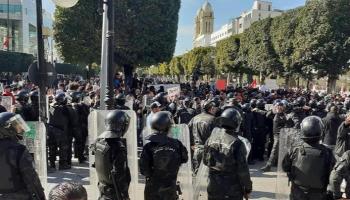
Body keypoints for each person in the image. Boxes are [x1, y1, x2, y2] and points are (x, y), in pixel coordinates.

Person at [203, 108, 252, 200]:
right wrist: (248, 188)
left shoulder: (211, 139)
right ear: (237, 123)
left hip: (213, 185)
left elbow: (205, 161)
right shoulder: (237, 143)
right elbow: (243, 170)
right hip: (231, 189)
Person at [282, 116, 335, 200]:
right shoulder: (327, 152)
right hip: (318, 194)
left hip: (298, 192)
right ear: (321, 131)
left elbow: (285, 167)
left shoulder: (295, 149)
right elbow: (332, 174)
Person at [140, 111, 188, 200]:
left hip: (152, 190)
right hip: (170, 189)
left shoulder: (148, 146)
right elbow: (185, 159)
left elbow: (144, 170)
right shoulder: (177, 144)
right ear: (168, 126)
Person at [0, 112, 46, 200]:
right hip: (16, 196)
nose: (20, 128)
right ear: (7, 129)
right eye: (17, 126)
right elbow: (31, 178)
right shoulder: (18, 150)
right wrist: (41, 196)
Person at [92, 110, 131, 200]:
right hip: (115, 193)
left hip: (103, 189)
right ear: (122, 125)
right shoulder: (117, 146)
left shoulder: (99, 141)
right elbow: (119, 174)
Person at [188, 100, 217, 173]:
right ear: (211, 109)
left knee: (196, 174)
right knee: (209, 175)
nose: (215, 110)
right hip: (209, 150)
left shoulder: (194, 118)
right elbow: (218, 136)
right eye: (214, 109)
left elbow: (187, 131)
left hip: (197, 150)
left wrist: (191, 144)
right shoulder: (213, 119)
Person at [47, 93, 71, 170]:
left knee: (52, 148)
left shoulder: (52, 107)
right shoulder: (64, 108)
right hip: (61, 130)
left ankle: (52, 164)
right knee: (63, 148)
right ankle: (62, 164)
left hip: (51, 129)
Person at [261, 102, 287, 172]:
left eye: (280, 106)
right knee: (275, 150)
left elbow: (284, 121)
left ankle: (270, 165)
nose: (278, 107)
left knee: (276, 150)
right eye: (277, 106)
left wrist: (279, 112)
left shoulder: (283, 115)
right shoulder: (274, 114)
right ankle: (270, 165)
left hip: (281, 135)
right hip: (276, 135)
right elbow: (267, 114)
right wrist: (273, 110)